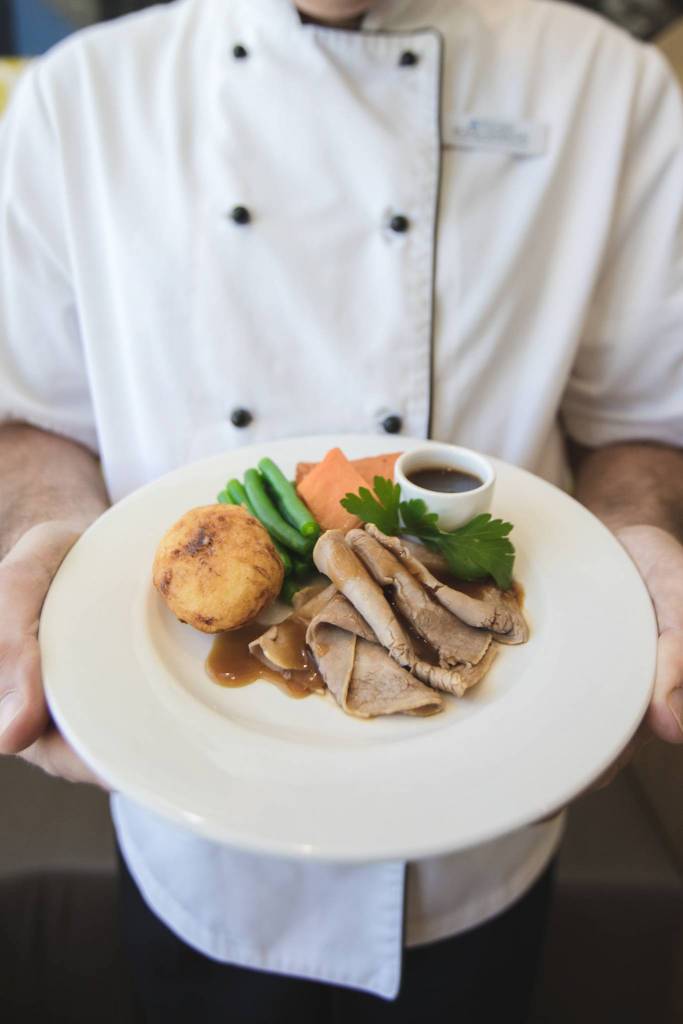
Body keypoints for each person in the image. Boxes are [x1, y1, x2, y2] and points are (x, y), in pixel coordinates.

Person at [1, 0, 682, 1020]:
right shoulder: (78, 98)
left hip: (492, 806)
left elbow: (636, 419)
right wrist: (47, 538)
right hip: (183, 815)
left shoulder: (610, 87)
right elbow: (33, 419)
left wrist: (637, 536)